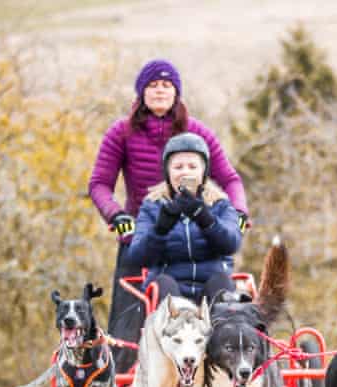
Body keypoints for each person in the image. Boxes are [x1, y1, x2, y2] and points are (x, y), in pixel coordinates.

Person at [88, 59, 249, 371]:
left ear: (177, 93)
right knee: (127, 326)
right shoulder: (121, 133)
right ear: (141, 93)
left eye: (166, 85)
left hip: (199, 233)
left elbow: (230, 179)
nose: (160, 91)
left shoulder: (197, 133)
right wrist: (116, 215)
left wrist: (239, 211)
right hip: (143, 232)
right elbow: (99, 184)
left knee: (223, 292)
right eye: (152, 85)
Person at [126, 132, 243, 304]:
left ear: (203, 171)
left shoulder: (220, 203)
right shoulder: (153, 205)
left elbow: (231, 244)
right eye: (178, 167)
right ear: (168, 172)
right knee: (163, 284)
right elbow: (138, 257)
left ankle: (224, 328)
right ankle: (176, 327)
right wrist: (161, 228)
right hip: (170, 285)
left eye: (192, 167)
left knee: (223, 284)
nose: (185, 172)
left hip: (211, 284)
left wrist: (204, 217)